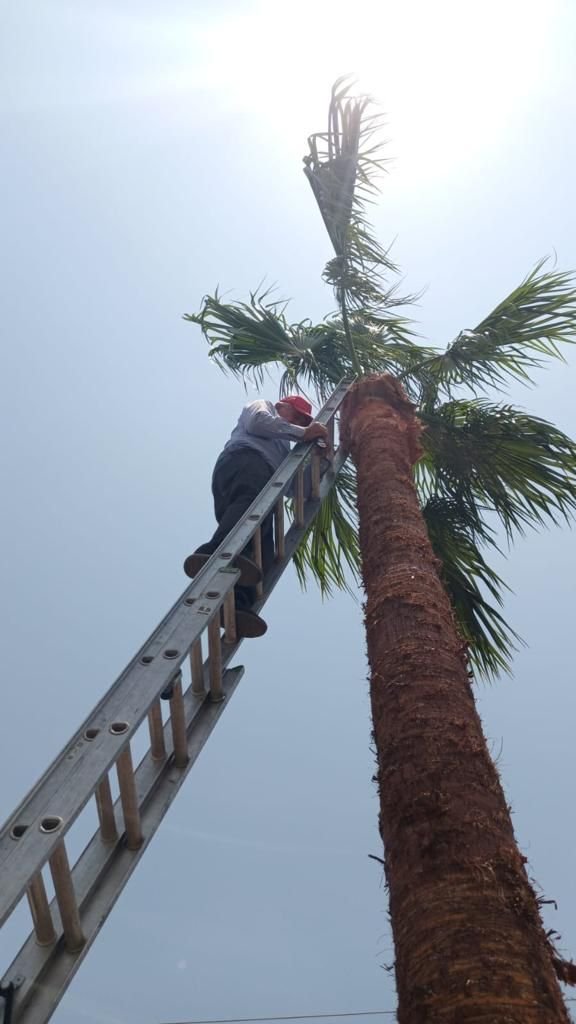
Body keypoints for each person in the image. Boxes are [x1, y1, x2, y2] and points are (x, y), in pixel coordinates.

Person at [183, 396, 329, 637]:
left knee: (264, 551)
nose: (301, 423)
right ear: (283, 406)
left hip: (265, 482)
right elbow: (258, 423)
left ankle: (239, 601)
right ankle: (213, 552)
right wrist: (303, 433)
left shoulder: (283, 447)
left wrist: (319, 461)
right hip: (245, 461)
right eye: (298, 416)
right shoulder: (264, 407)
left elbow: (296, 489)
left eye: (304, 421)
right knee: (246, 507)